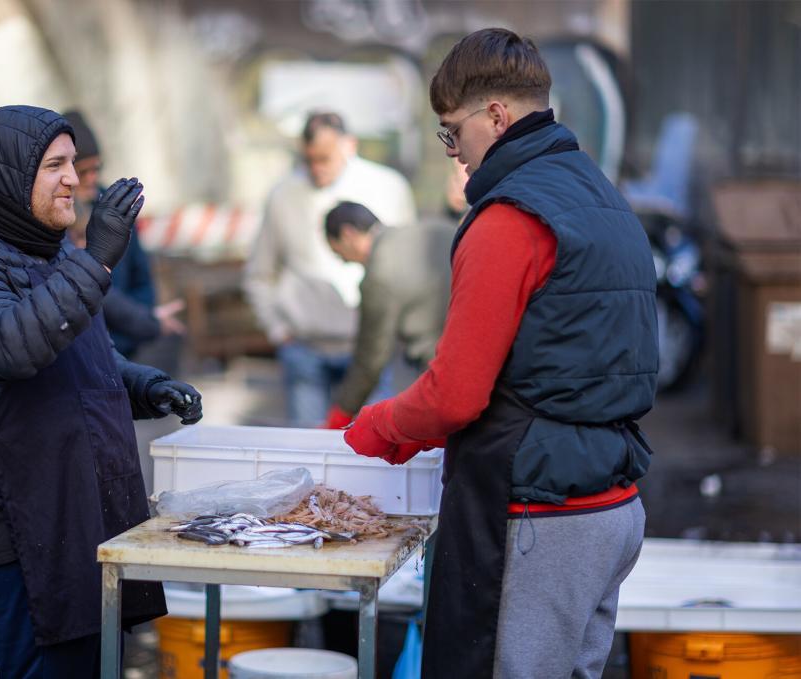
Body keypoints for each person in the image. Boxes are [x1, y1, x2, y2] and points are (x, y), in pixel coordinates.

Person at [343, 29, 657, 678]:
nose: (454, 153)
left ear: (497, 115)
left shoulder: (510, 216)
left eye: (452, 132)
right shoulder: (602, 197)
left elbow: (455, 392)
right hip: (613, 504)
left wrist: (379, 424)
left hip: (540, 514)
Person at [0, 105, 203, 677]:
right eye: (55, 165)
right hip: (16, 528)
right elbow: (14, 345)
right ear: (9, 178)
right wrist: (97, 258)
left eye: (73, 163)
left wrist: (149, 387)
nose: (73, 178)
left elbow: (89, 358)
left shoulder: (54, 253)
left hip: (82, 511)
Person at [244, 111, 416, 426]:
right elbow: (260, 272)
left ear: (349, 146)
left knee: (373, 451)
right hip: (304, 348)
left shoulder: (389, 188)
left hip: (368, 346)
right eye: (308, 160)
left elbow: (409, 266)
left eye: (325, 158)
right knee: (309, 450)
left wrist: (397, 330)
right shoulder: (283, 195)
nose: (316, 168)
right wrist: (277, 330)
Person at [63, 109, 184, 360]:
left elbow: (141, 273)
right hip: (87, 344)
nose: (92, 178)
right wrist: (145, 321)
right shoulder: (58, 212)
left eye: (96, 168)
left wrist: (142, 320)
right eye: (83, 172)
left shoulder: (114, 204)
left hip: (126, 343)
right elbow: (86, 285)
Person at [320, 201, 453, 429]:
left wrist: (340, 414)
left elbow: (370, 360)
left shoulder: (378, 275)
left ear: (348, 234)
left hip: (443, 374)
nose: (342, 261)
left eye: (337, 252)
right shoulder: (433, 229)